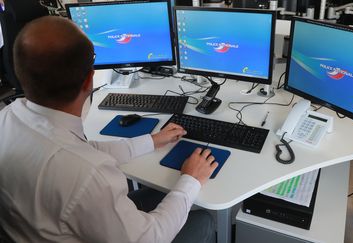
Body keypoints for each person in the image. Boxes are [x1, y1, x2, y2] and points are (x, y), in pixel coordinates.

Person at [0, 16, 218, 243]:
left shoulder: (6, 118)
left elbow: (79, 149)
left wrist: (151, 141)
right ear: (88, 80)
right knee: (204, 219)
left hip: (41, 226)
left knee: (164, 191)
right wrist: (191, 179)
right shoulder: (89, 174)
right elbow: (151, 238)